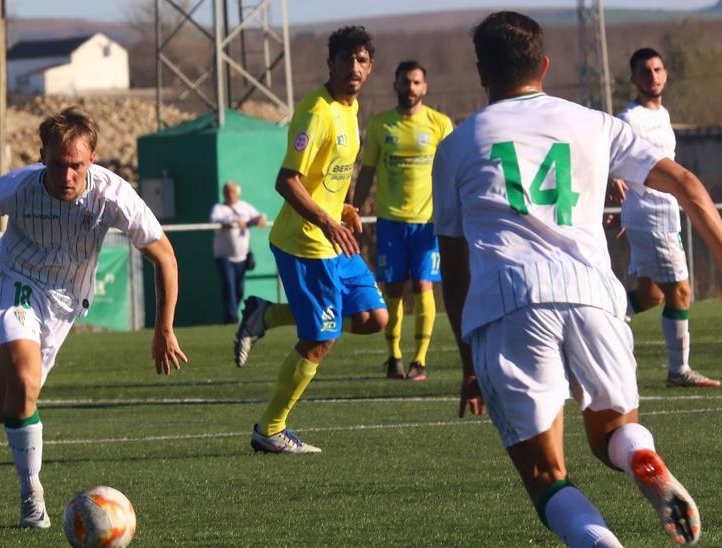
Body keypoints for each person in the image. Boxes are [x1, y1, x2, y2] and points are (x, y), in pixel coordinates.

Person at [436, 12, 716, 546]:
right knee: (612, 432)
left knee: (547, 477)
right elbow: (686, 184)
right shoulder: (594, 123)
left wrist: (468, 361)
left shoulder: (456, 146)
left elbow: (455, 265)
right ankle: (640, 454)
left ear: (481, 73)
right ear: (544, 65)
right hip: (594, 294)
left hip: (509, 301)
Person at [0, 107, 187, 528]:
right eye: (60, 164)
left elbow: (166, 258)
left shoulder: (113, 196)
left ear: (93, 159)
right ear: (42, 155)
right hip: (12, 281)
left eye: (77, 166)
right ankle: (32, 499)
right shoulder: (15, 187)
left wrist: (164, 329)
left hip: (64, 304)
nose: (68, 175)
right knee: (25, 381)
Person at [239, 26, 387, 454]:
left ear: (370, 66)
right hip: (307, 241)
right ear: (331, 64)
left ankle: (264, 316)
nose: (354, 68)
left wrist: (342, 207)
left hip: (332, 234)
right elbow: (287, 181)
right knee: (321, 338)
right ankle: (269, 429)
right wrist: (326, 219)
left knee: (373, 319)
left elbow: (330, 175)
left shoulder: (351, 108)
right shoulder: (317, 112)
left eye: (361, 61)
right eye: (346, 60)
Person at [610, 48, 718, 388]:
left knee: (651, 295)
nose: (652, 77)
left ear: (666, 74)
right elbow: (610, 155)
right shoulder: (630, 119)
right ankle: (679, 369)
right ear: (634, 79)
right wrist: (613, 182)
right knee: (681, 291)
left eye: (657, 69)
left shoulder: (663, 114)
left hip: (663, 211)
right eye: (645, 71)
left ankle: (602, 319)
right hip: (650, 213)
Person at [351, 61, 453, 381]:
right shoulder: (381, 124)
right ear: (395, 85)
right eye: (405, 82)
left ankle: (420, 361)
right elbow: (366, 171)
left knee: (424, 285)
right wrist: (352, 209)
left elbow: (451, 172)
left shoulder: (440, 124)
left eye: (416, 82)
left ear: (425, 87)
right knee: (392, 287)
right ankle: (394, 356)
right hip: (391, 220)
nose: (410, 88)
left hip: (427, 222)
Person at [209, 181, 265, 324]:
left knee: (239, 289)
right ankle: (232, 317)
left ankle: (231, 314)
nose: (230, 194)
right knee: (229, 285)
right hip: (224, 256)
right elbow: (214, 219)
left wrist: (259, 219)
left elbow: (258, 216)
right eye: (227, 191)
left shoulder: (244, 206)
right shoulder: (219, 208)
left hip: (242, 257)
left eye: (233, 191)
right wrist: (234, 220)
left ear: (238, 193)